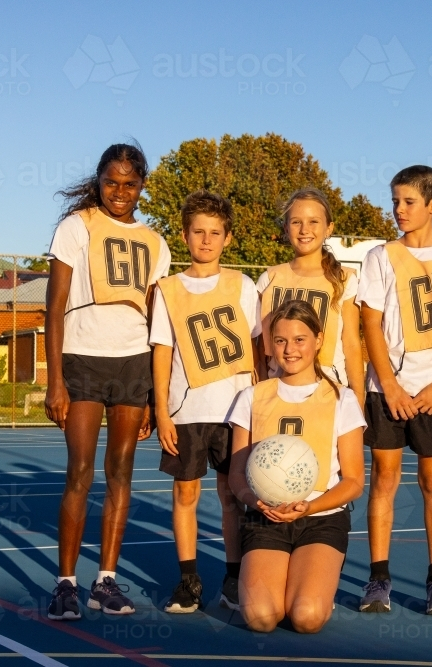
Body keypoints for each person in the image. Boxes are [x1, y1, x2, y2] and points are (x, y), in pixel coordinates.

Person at [44, 142, 171, 621]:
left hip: (133, 363)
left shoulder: (156, 241)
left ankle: (106, 582)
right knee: (80, 472)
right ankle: (65, 585)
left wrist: (158, 396)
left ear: (142, 187)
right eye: (111, 181)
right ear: (99, 180)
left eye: (130, 183)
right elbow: (53, 307)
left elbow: (159, 322)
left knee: (121, 474)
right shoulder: (76, 227)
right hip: (82, 359)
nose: (120, 191)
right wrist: (55, 380)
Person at [355, 165, 432, 616]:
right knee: (384, 479)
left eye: (408, 202)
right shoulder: (380, 257)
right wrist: (388, 384)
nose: (398, 210)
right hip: (387, 390)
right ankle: (378, 578)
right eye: (395, 201)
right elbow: (369, 323)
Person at [150, 191, 261, 614]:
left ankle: (233, 579)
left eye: (215, 232)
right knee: (185, 495)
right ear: (184, 235)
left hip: (235, 410)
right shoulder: (169, 290)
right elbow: (162, 352)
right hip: (187, 411)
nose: (207, 239)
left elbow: (257, 351)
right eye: (199, 231)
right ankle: (188, 580)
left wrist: (260, 407)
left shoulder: (242, 285)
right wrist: (162, 410)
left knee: (233, 496)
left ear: (228, 238)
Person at [227, 300, 365, 634]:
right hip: (266, 517)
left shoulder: (341, 399)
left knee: (306, 617)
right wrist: (254, 500)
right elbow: (235, 473)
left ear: (318, 340)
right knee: (261, 617)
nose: (290, 350)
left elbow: (354, 482)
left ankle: (314, 583)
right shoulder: (252, 397)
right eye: (280, 340)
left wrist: (309, 507)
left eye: (300, 339)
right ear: (270, 343)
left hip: (321, 519)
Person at [256, 188, 364, 405]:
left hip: (328, 391)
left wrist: (358, 399)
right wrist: (260, 388)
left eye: (313, 221)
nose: (304, 229)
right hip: (278, 391)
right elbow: (259, 346)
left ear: (329, 228)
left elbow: (352, 344)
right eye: (296, 222)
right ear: (286, 228)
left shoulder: (344, 279)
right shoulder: (269, 278)